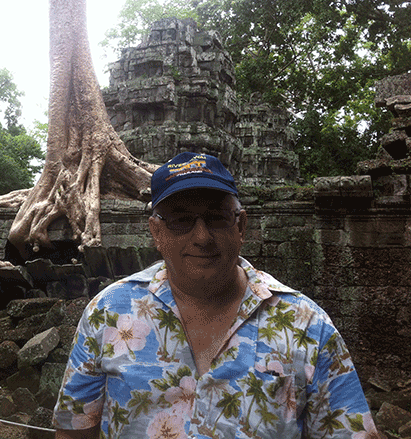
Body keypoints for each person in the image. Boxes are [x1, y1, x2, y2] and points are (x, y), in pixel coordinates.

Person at [53, 152, 381, 439]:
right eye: (181, 220)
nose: (202, 237)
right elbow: (73, 429)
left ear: (241, 227)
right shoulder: (107, 313)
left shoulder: (307, 325)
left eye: (217, 218)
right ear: (156, 232)